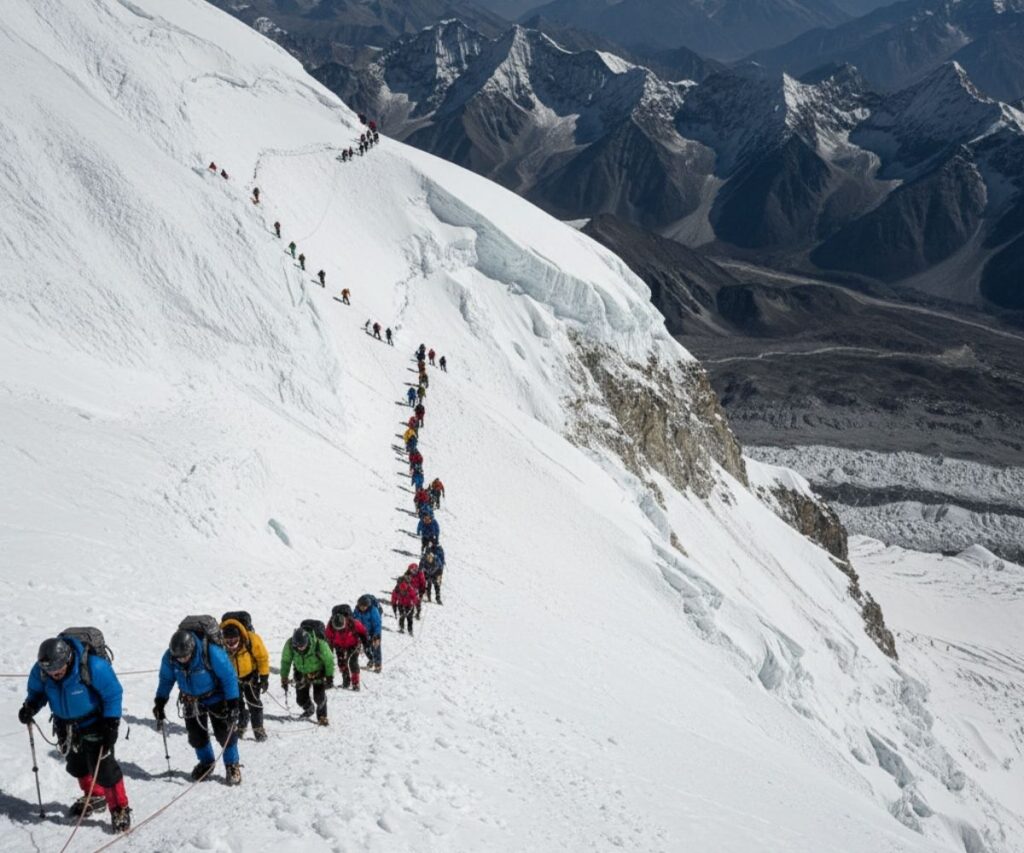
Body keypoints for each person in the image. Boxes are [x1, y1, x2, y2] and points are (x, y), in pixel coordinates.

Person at [19, 634, 131, 831]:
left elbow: (113, 693)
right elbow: (37, 693)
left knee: (104, 767)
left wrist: (112, 723)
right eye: (50, 671)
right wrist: (30, 706)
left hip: (95, 722)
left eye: (58, 669)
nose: (55, 674)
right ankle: (95, 796)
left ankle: (119, 808)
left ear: (68, 658)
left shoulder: (92, 666)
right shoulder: (41, 671)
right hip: (65, 725)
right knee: (77, 765)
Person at [154, 625, 242, 784]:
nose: (181, 660)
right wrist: (160, 702)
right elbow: (166, 679)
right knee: (196, 736)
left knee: (225, 732)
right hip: (190, 699)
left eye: (184, 657)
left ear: (192, 649)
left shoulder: (210, 651)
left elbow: (229, 677)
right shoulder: (170, 657)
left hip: (216, 695)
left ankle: (232, 764)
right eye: (178, 657)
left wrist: (233, 705)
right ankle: (207, 762)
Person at [219, 617, 270, 742]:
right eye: (228, 641)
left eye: (234, 641)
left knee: (254, 703)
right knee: (236, 703)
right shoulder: (218, 644)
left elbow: (262, 657)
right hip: (231, 678)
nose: (231, 645)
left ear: (240, 637)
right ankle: (242, 723)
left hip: (250, 676)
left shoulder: (251, 639)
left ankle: (258, 729)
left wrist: (264, 677)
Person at [280, 626, 334, 726]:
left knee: (319, 698)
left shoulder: (319, 645)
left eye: (302, 646)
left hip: (318, 673)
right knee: (300, 700)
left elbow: (329, 660)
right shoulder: (290, 645)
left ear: (307, 640)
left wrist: (329, 677)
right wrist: (284, 677)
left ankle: (322, 716)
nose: (300, 648)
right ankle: (309, 708)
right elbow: (286, 661)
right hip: (301, 674)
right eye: (298, 646)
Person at [326, 606, 367, 691]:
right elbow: (328, 639)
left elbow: (363, 632)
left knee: (353, 662)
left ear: (345, 622)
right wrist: (330, 651)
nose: (340, 630)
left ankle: (356, 683)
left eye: (342, 628)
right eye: (338, 629)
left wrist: (366, 644)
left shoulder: (353, 623)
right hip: (338, 645)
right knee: (341, 663)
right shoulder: (330, 627)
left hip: (354, 644)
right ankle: (346, 681)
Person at [354, 595, 383, 672]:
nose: (362, 608)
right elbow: (354, 621)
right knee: (366, 648)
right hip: (363, 631)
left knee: (375, 647)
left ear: (368, 605)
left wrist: (377, 636)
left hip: (374, 631)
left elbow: (377, 624)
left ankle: (378, 664)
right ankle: (371, 659)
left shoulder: (373, 610)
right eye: (361, 606)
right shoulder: (356, 610)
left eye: (364, 606)